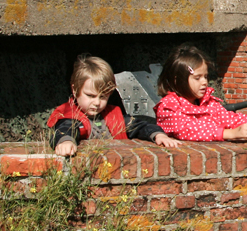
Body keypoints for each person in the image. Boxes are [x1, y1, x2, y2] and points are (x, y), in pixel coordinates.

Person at [47, 54, 180, 156]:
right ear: (75, 91)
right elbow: (64, 128)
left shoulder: (114, 116)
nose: (97, 102)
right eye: (90, 96)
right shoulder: (69, 115)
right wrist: (66, 141)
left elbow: (138, 125)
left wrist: (158, 134)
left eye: (103, 97)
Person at [154, 45, 247, 141]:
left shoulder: (209, 103)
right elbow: (185, 129)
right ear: (177, 79)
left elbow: (229, 118)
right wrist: (229, 134)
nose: (204, 82)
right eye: (197, 78)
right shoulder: (168, 106)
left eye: (205, 76)